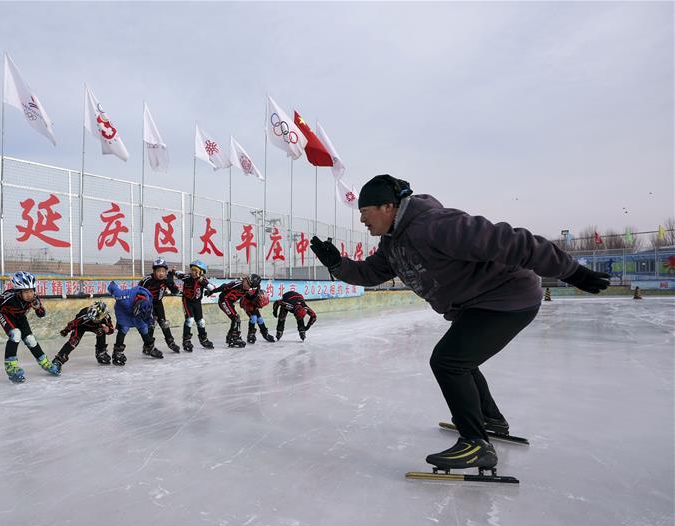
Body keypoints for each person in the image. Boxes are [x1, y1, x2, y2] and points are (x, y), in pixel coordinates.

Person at [310, 174, 610, 472]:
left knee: (449, 361)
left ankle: (475, 444)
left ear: (387, 207)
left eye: (365, 212)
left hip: (508, 297)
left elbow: (511, 241)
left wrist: (571, 271)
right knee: (461, 360)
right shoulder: (393, 244)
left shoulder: (435, 226)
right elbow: (370, 274)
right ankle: (490, 419)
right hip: (478, 304)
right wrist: (337, 264)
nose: (362, 220)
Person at [0, 271, 60, 382]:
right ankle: (11, 368)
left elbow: (41, 314)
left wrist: (37, 308)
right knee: (15, 334)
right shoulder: (9, 296)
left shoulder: (34, 299)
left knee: (30, 340)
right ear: (18, 292)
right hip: (6, 314)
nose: (29, 294)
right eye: (26, 291)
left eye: (31, 290)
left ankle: (45, 363)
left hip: (20, 317)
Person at [107, 281, 162, 364]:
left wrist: (150, 321)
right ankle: (117, 352)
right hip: (123, 311)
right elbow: (114, 289)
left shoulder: (148, 299)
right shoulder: (123, 297)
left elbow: (148, 316)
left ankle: (149, 347)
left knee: (144, 328)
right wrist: (112, 285)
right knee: (124, 329)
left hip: (138, 314)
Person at [51, 301, 115, 372]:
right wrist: (65, 331)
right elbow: (73, 324)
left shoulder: (106, 317)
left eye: (97, 319)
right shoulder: (84, 315)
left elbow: (111, 329)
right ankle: (58, 360)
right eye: (93, 318)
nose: (94, 320)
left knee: (101, 331)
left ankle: (101, 352)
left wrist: (108, 330)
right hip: (81, 326)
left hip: (95, 327)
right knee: (74, 341)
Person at [139, 258, 182, 353]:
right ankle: (148, 345)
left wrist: (171, 279)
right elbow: (138, 290)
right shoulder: (148, 279)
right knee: (151, 324)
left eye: (163, 271)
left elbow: (174, 290)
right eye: (158, 271)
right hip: (148, 305)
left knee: (164, 323)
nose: (161, 273)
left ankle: (170, 342)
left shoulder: (166, 279)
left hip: (158, 304)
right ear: (154, 271)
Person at [208, 274, 261, 348]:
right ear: (245, 279)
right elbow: (224, 286)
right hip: (224, 300)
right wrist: (211, 292)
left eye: (249, 285)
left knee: (236, 318)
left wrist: (256, 292)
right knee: (236, 318)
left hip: (229, 302)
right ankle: (234, 338)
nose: (246, 285)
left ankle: (230, 336)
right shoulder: (237, 284)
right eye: (246, 281)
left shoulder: (246, 290)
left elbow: (251, 299)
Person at [174, 259, 215, 351]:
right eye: (192, 270)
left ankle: (203, 338)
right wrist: (173, 271)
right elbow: (178, 274)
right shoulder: (187, 277)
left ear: (201, 272)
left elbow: (212, 287)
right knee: (190, 320)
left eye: (196, 271)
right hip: (187, 301)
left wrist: (206, 285)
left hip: (197, 302)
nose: (193, 272)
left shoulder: (203, 280)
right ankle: (186, 340)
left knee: (201, 322)